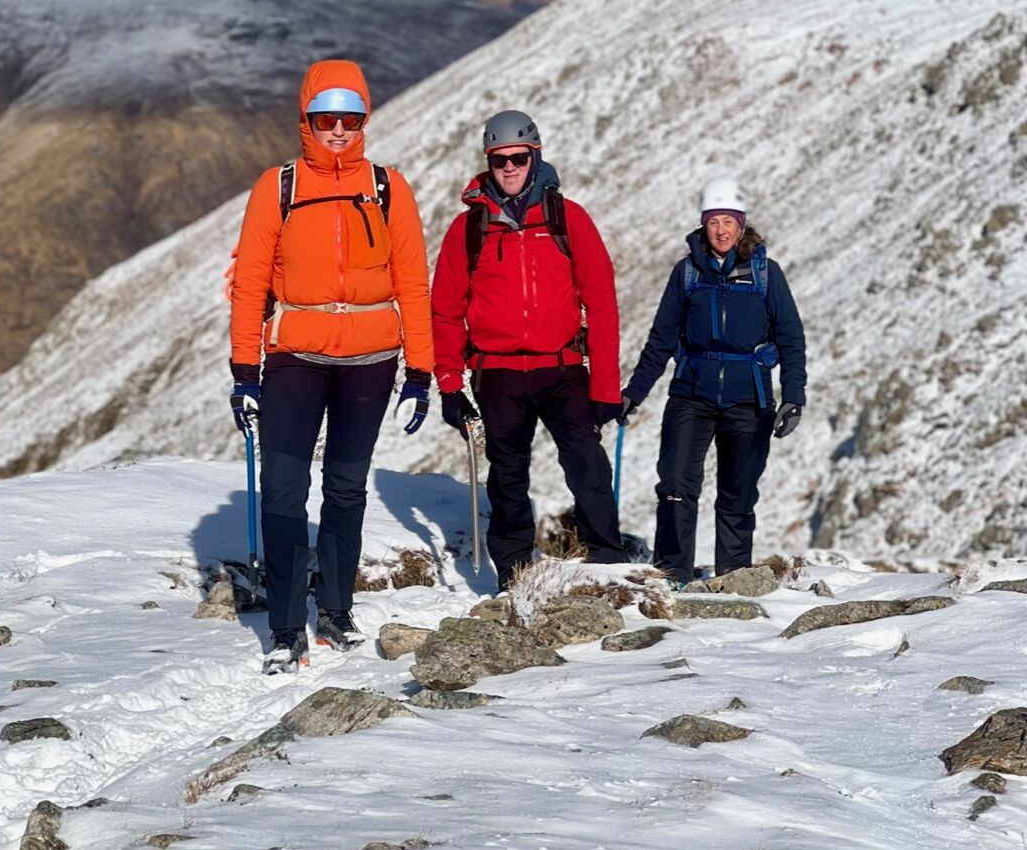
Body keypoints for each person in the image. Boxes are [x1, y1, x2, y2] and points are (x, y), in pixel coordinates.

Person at [229, 59, 434, 672]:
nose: (338, 130)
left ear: (363, 119)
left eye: (350, 118)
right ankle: (288, 623)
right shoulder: (279, 186)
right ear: (307, 120)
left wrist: (420, 372)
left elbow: (413, 285)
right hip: (293, 357)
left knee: (346, 488)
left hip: (372, 360)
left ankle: (338, 607)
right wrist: (245, 372)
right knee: (284, 492)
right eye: (326, 118)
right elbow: (249, 285)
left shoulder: (390, 187)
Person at [431, 109, 629, 591]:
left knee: (587, 463)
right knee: (508, 477)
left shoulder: (567, 218)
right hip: (496, 373)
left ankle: (607, 561)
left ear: (535, 156)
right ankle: (515, 575)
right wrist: (449, 384)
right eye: (500, 161)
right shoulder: (469, 229)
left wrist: (604, 387)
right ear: (488, 163)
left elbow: (601, 304)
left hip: (562, 368)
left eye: (519, 158)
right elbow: (443, 310)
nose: (510, 168)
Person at [622, 175, 806, 587]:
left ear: (741, 224)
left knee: (738, 493)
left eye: (728, 221)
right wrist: (632, 395)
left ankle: (734, 577)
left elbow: (791, 338)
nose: (721, 230)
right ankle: (671, 574)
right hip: (691, 394)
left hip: (749, 398)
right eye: (713, 222)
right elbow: (661, 340)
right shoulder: (686, 273)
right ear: (703, 225)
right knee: (674, 485)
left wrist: (794, 396)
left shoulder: (765, 274)